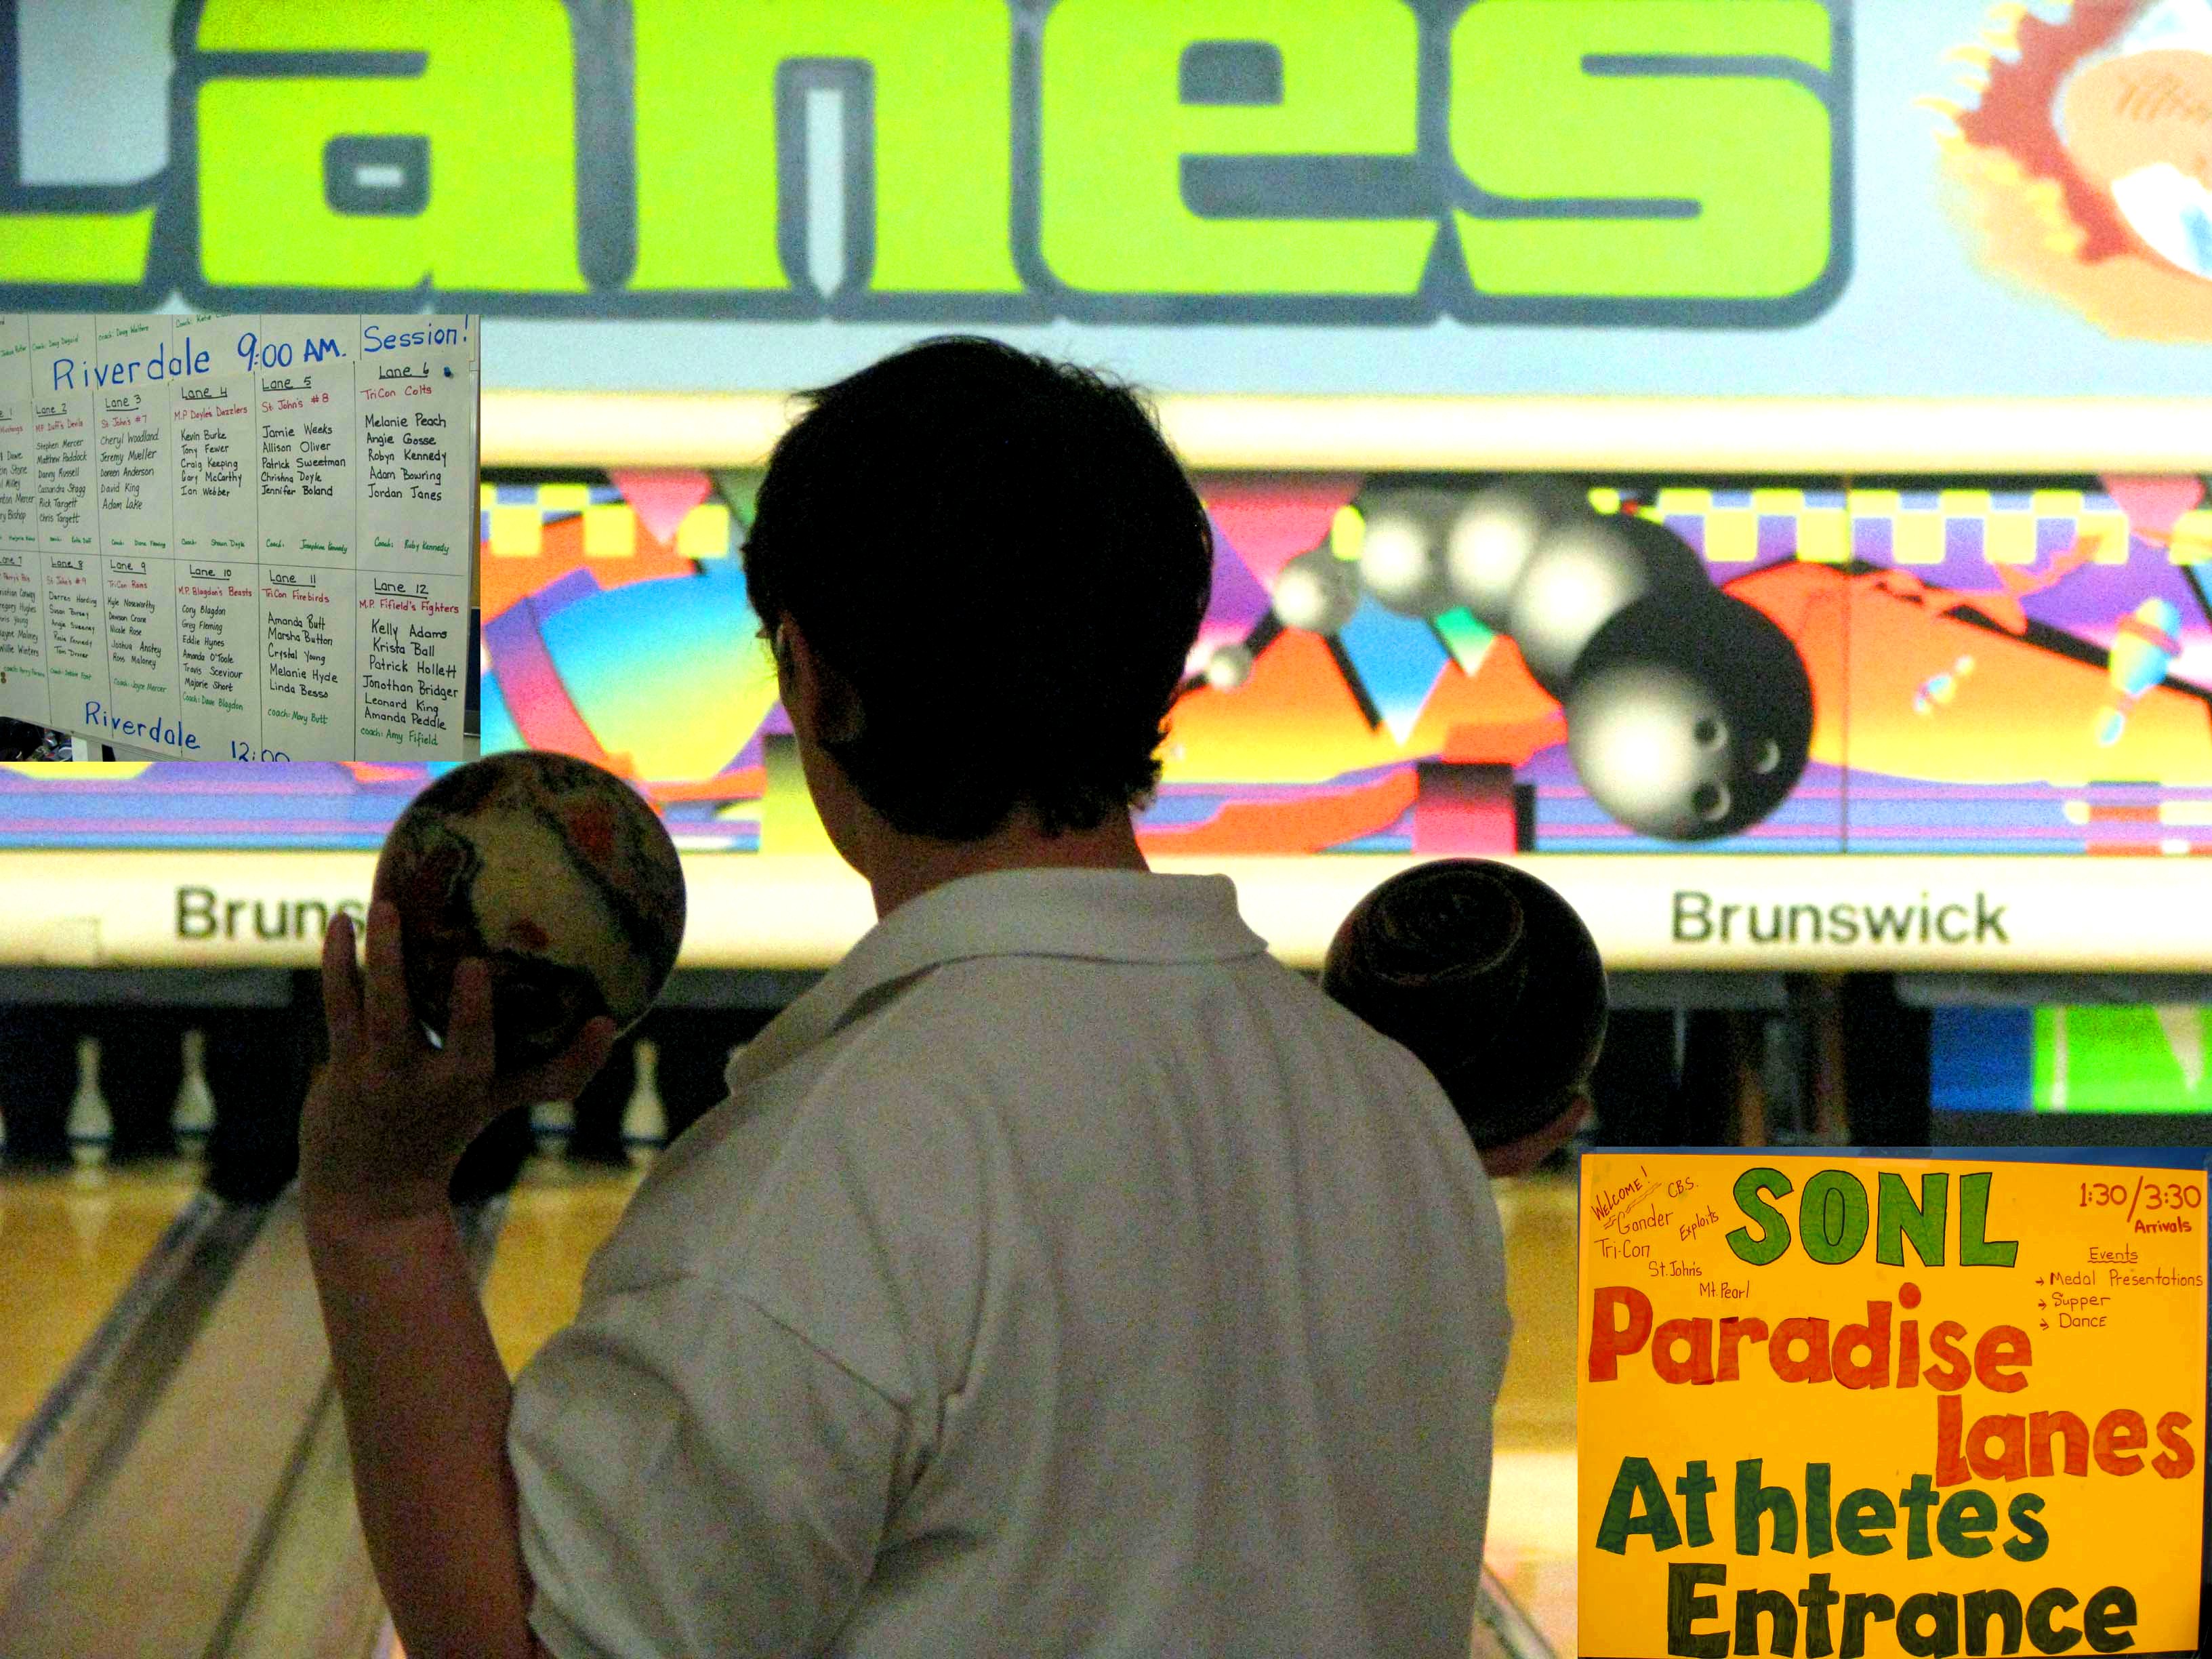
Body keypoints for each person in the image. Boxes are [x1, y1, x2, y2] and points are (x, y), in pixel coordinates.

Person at [300, 338, 1551, 1659]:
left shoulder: (831, 1179)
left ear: (812, 678)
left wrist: (376, 1211)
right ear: (1159, 676)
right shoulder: (1400, 1124)